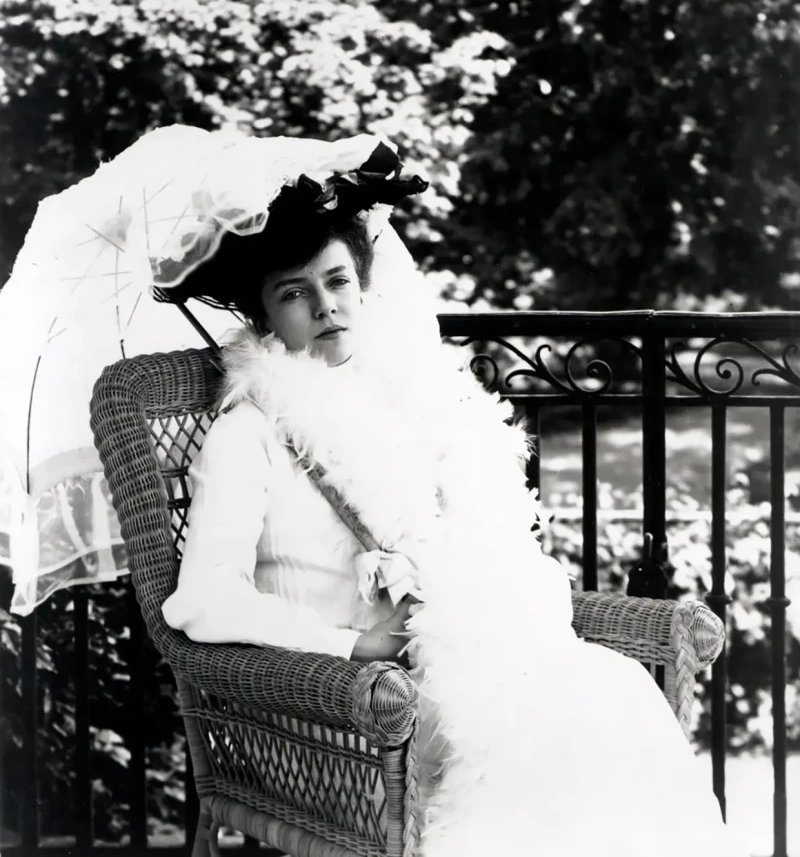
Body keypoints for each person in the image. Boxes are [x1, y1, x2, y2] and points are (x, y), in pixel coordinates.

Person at [161, 145, 741, 857]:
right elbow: (201, 600)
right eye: (293, 292)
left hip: (455, 667)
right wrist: (353, 644)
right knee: (541, 746)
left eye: (337, 280)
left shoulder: (398, 406)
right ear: (264, 315)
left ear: (363, 286)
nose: (325, 305)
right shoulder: (247, 432)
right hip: (344, 713)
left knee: (610, 695)